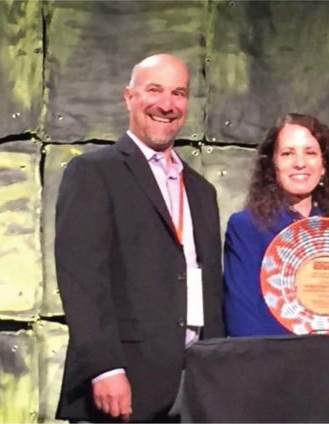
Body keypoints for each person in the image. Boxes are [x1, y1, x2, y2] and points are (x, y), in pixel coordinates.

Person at [54, 53, 224, 422]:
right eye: (154, 90)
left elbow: (207, 286)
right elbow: (82, 279)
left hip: (191, 385)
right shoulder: (94, 172)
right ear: (128, 97)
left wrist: (215, 372)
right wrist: (105, 368)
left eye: (178, 93)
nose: (166, 104)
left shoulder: (201, 190)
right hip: (122, 385)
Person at [223, 113, 329, 336]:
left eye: (310, 153)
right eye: (287, 153)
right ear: (272, 165)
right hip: (272, 362)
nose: (300, 163)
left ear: (324, 166)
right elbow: (243, 320)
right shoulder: (246, 227)